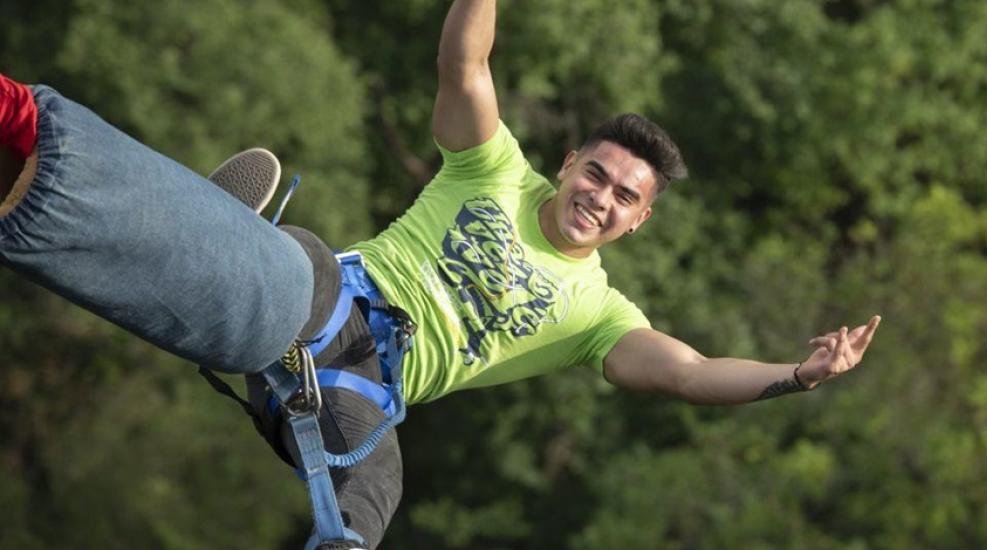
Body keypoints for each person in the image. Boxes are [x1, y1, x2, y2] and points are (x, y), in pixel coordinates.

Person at [0, 1, 881, 548]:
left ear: (640, 219)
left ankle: (218, 242)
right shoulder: (492, 169)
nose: (600, 199)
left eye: (623, 198)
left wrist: (795, 377)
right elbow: (466, 62)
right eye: (596, 175)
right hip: (330, 301)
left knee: (376, 499)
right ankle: (84, 170)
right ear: (570, 162)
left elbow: (689, 376)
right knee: (273, 287)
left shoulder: (600, 315)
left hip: (363, 398)